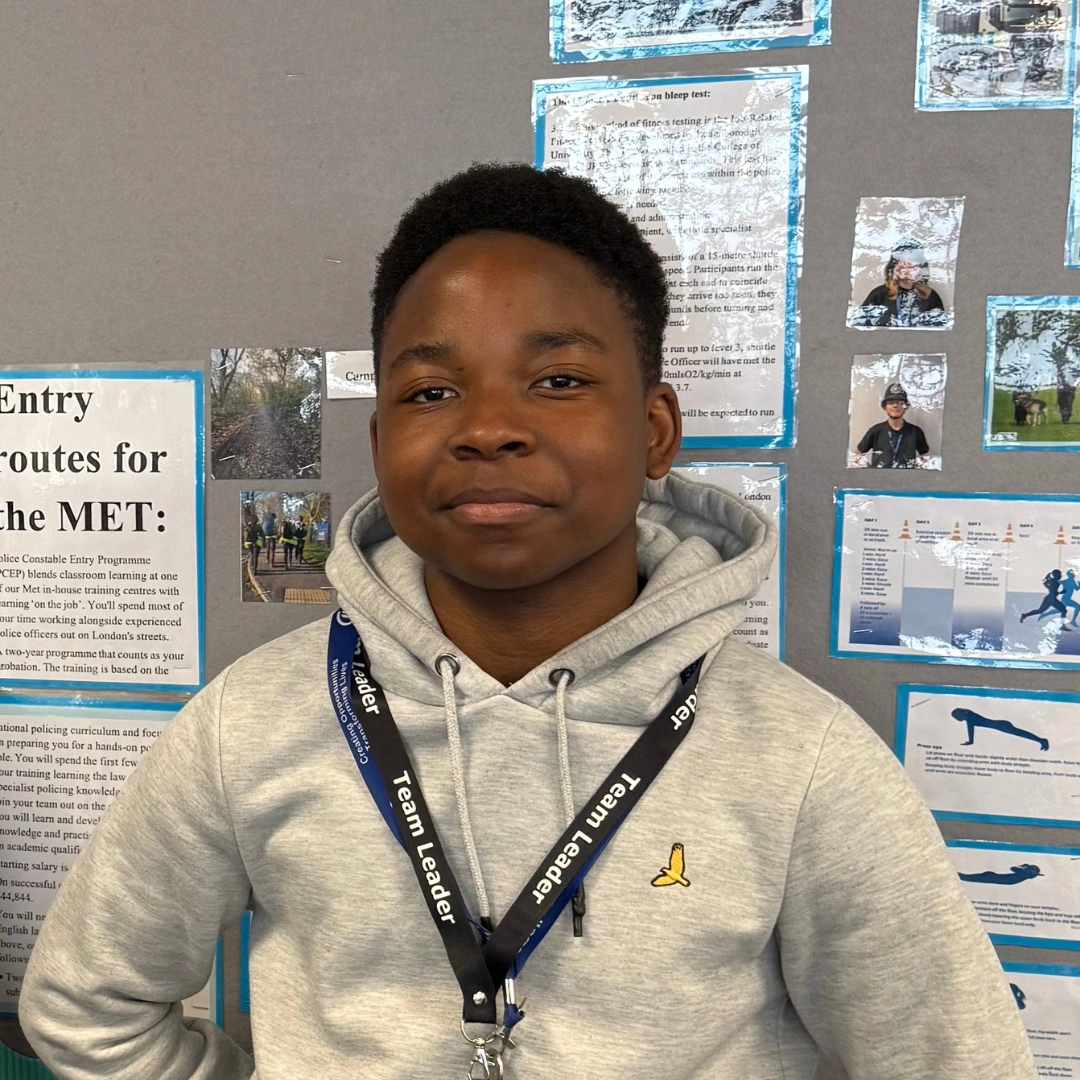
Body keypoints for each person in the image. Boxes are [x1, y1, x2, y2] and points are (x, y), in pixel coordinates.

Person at [19, 164, 1036, 1079]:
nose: (488, 427)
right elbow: (86, 1010)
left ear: (653, 430)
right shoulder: (255, 724)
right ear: (381, 443)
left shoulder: (801, 760)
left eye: (558, 381)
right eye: (432, 389)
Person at [853, 237, 948, 329]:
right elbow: (859, 326)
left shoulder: (930, 297)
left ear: (921, 268)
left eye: (911, 264)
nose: (906, 268)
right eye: (901, 262)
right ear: (893, 266)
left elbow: (940, 332)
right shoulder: (878, 295)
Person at [854, 382, 931, 468]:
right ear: (885, 407)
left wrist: (918, 473)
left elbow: (925, 455)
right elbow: (858, 454)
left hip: (906, 479)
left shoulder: (916, 432)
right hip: (879, 480)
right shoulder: (875, 431)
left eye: (900, 402)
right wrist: (869, 471)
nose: (895, 405)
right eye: (891, 402)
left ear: (906, 407)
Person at [951, 707, 1049, 751]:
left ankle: (1041, 740)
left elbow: (970, 729)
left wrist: (971, 741)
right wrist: (970, 741)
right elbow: (970, 728)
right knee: (1019, 733)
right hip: (1000, 725)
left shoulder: (970, 717)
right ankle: (1041, 740)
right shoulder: (970, 718)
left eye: (957, 717)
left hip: (1001, 725)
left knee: (1020, 733)